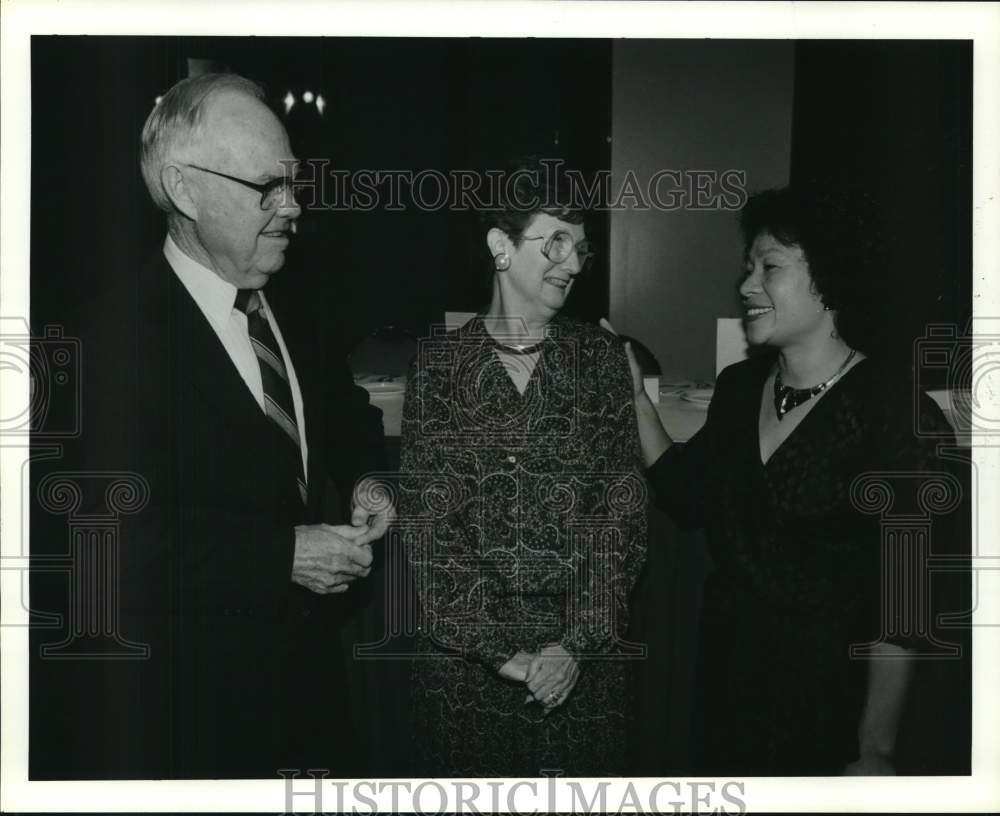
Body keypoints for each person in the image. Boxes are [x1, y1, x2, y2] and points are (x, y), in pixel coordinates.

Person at [43, 73, 391, 779]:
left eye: (294, 183)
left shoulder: (295, 300)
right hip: (189, 723)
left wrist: (372, 481)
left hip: (308, 702)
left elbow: (344, 417)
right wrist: (280, 556)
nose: (293, 207)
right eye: (268, 187)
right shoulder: (102, 343)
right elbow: (99, 546)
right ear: (185, 190)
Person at [604, 184, 958, 775]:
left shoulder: (897, 415)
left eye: (769, 267)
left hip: (828, 708)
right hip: (726, 689)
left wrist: (876, 750)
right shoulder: (742, 389)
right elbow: (687, 494)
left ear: (831, 275)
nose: (747, 286)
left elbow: (905, 610)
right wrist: (634, 397)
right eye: (749, 268)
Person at [397, 158, 648, 777]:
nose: (571, 261)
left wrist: (573, 645)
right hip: (466, 665)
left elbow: (622, 517)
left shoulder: (602, 360)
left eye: (580, 248)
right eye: (554, 240)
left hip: (578, 665)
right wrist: (502, 652)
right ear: (500, 246)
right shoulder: (437, 367)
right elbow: (430, 526)